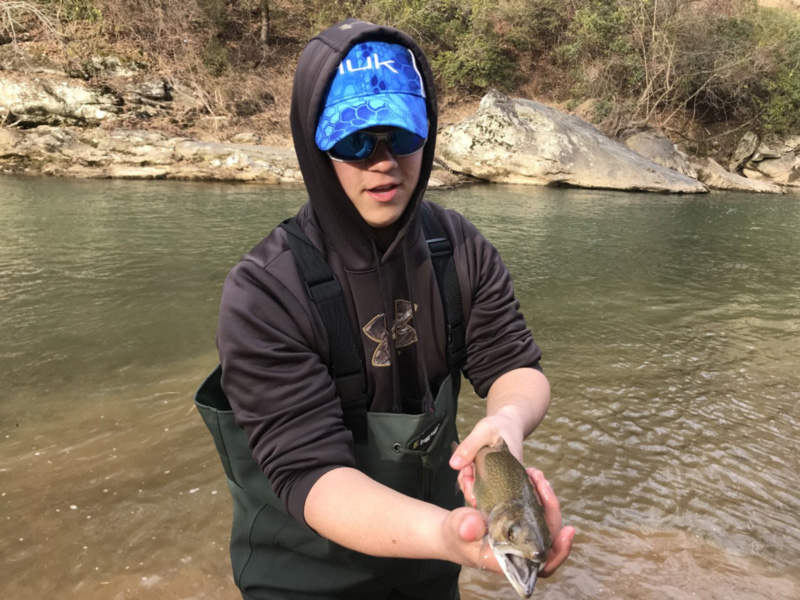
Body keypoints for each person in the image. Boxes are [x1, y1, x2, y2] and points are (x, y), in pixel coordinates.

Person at [211, 17, 574, 600]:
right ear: (314, 145)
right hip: (304, 581)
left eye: (401, 135)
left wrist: (506, 421)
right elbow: (310, 475)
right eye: (355, 139)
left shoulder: (460, 248)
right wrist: (449, 533)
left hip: (429, 569)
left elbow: (514, 366)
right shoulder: (263, 292)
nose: (383, 161)